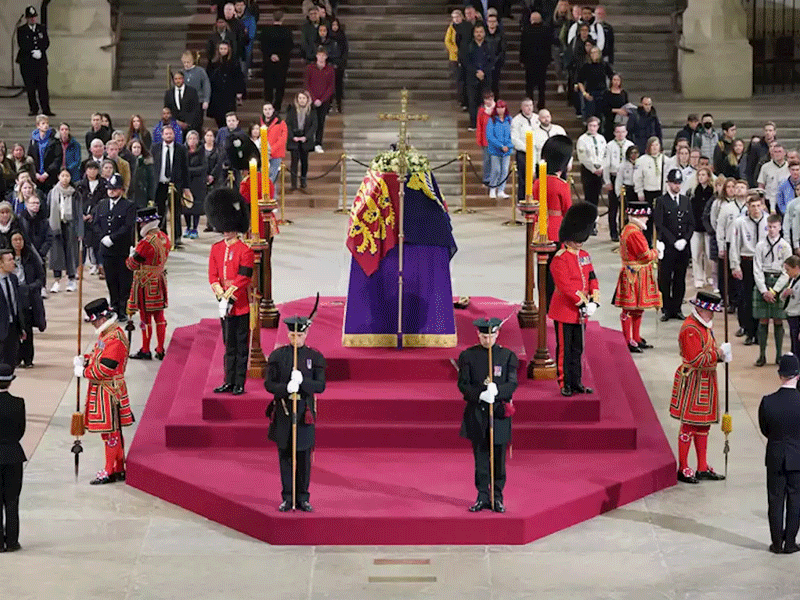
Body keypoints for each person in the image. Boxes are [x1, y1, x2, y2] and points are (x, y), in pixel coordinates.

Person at [265, 315, 326, 512]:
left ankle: (303, 497)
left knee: (303, 458)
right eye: (292, 334)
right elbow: (269, 384)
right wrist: (286, 387)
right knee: (285, 455)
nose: (295, 338)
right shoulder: (277, 356)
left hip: (303, 412)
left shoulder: (314, 357)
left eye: (300, 335)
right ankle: (287, 497)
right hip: (284, 409)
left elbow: (321, 386)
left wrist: (302, 383)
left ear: (306, 334)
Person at [457, 316, 517, 514]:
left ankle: (497, 497)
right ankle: (482, 496)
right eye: (483, 336)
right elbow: (463, 385)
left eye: (491, 336)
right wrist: (481, 394)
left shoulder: (507, 356)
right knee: (481, 461)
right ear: (478, 335)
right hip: (478, 414)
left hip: (498, 416)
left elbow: (512, 384)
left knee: (499, 462)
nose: (487, 340)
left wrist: (497, 392)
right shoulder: (468, 356)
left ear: (497, 334)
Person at [670, 291, 730, 483]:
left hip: (706, 380)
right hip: (694, 380)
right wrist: (719, 354)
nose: (712, 315)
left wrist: (718, 354)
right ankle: (683, 467)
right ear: (700, 309)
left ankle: (702, 466)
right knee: (689, 424)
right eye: (710, 311)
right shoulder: (690, 329)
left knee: (703, 425)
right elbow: (696, 359)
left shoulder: (703, 326)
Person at [75, 298, 134, 485]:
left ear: (101, 318)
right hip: (102, 388)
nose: (92, 324)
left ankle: (109, 469)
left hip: (109, 390)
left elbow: (104, 369)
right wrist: (84, 360)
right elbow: (96, 356)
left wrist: (84, 372)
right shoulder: (105, 335)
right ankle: (118, 466)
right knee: (110, 432)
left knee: (111, 432)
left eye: (93, 321)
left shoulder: (115, 338)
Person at [548, 202, 599, 397]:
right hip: (565, 311)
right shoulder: (560, 258)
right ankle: (564, 383)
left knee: (578, 349)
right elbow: (566, 287)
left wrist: (594, 301)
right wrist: (584, 303)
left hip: (581, 313)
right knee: (565, 351)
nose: (580, 242)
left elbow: (592, 278)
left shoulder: (584, 255)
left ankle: (576, 381)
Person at [206, 188, 254, 396]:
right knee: (229, 346)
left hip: (241, 305)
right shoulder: (216, 249)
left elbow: (244, 277)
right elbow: (213, 275)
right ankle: (228, 380)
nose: (226, 231)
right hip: (225, 305)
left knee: (241, 345)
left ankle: (239, 382)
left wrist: (229, 296)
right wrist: (220, 295)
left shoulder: (245, 250)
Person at [758, 353, 800, 553]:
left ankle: (776, 543)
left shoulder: (768, 401)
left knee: (775, 500)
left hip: (775, 456)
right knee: (795, 500)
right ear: (798, 375)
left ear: (779, 374)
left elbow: (765, 429)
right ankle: (790, 542)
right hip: (797, 458)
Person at [613, 201, 661, 351]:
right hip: (634, 274)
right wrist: (657, 252)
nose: (647, 219)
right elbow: (645, 255)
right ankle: (628, 339)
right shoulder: (634, 233)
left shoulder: (631, 229)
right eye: (645, 216)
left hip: (636, 273)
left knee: (637, 308)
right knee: (629, 309)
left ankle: (636, 337)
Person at [126, 206, 171, 360]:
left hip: (145, 283)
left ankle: (145, 349)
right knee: (160, 316)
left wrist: (131, 256)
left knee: (145, 318)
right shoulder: (164, 237)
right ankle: (160, 348)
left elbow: (131, 264)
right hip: (159, 279)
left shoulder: (145, 243)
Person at [94, 174, 135, 320]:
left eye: (115, 189)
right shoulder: (102, 204)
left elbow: (128, 226)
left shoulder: (128, 205)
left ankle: (123, 308)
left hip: (121, 249)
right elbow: (96, 223)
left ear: (121, 190)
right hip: (106, 250)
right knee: (111, 280)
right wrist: (103, 237)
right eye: (109, 189)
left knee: (124, 281)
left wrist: (113, 238)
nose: (111, 192)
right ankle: (114, 305)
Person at [655, 169, 694, 321]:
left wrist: (685, 239)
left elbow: (691, 223)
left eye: (679, 183)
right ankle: (667, 308)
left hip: (683, 248)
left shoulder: (685, 201)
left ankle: (677, 308)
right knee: (665, 278)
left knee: (680, 278)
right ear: (668, 183)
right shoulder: (661, 201)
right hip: (668, 247)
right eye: (674, 183)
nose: (677, 186)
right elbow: (660, 225)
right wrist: (673, 241)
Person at [754, 213, 792, 366]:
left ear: (780, 227)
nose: (771, 230)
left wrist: (775, 290)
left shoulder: (785, 246)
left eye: (774, 227)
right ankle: (762, 355)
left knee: (778, 319)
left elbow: (787, 271)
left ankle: (778, 355)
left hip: (778, 282)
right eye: (769, 227)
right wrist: (763, 290)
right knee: (763, 319)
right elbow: (756, 268)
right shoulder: (760, 245)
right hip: (763, 280)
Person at [730, 193, 769, 345]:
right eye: (753, 206)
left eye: (759, 205)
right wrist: (735, 265)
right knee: (746, 298)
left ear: (763, 206)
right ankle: (749, 331)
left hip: (764, 263)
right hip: (747, 260)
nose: (756, 209)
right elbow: (734, 245)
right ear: (747, 207)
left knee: (761, 298)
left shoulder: (768, 221)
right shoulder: (740, 222)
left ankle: (760, 333)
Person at [151, 125, 191, 245]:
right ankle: (162, 235)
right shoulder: (155, 148)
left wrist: (186, 187)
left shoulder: (181, 149)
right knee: (159, 211)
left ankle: (176, 237)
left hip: (175, 185)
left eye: (170, 134)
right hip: (160, 184)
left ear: (174, 135)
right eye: (166, 134)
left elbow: (185, 168)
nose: (168, 136)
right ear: (162, 135)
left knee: (176, 211)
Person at [0, 362, 25, 552]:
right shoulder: (18, 403)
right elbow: (20, 431)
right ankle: (13, 541)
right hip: (13, 454)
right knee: (12, 500)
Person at [11, 231, 45, 368]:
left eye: (20, 239)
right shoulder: (8, 258)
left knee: (28, 329)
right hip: (14, 296)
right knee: (15, 330)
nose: (18, 242)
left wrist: (30, 288)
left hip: (28, 297)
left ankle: (28, 358)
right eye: (15, 240)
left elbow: (40, 277)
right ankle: (16, 358)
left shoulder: (31, 256)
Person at [47, 169, 79, 293]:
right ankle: (56, 281)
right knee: (56, 253)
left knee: (71, 252)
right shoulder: (53, 192)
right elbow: (49, 208)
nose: (65, 178)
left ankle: (71, 279)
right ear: (58, 177)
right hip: (56, 225)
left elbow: (78, 211)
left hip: (70, 225)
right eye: (63, 175)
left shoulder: (75, 193)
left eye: (67, 176)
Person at [16, 6, 51, 117]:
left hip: (40, 61)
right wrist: (32, 51)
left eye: (34, 17)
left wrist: (40, 50)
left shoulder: (41, 28)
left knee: (43, 86)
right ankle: (33, 108)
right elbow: (22, 44)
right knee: (30, 87)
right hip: (27, 62)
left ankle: (46, 109)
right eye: (30, 17)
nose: (33, 19)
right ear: (27, 18)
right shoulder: (22, 30)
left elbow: (46, 41)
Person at [602, 122, 633, 242]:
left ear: (626, 132)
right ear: (614, 133)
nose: (620, 134)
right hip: (614, 176)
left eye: (623, 132)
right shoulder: (609, 146)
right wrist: (607, 181)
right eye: (618, 132)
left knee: (625, 207)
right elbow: (606, 165)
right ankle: (613, 232)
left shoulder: (630, 145)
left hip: (626, 178)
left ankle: (624, 231)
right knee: (613, 207)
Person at [259, 9, 294, 113]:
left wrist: (271, 55)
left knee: (268, 85)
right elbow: (289, 46)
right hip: (282, 62)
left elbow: (262, 45)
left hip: (268, 62)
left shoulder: (265, 31)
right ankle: (277, 106)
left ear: (272, 18)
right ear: (283, 18)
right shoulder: (287, 31)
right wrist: (279, 55)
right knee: (280, 85)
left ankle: (268, 105)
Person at [576, 117, 606, 235]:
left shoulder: (601, 139)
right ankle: (588, 225)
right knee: (589, 198)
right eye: (590, 126)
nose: (593, 128)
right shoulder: (582, 139)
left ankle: (594, 223)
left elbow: (604, 154)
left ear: (598, 126)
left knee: (596, 199)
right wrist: (593, 169)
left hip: (600, 170)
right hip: (588, 170)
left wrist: (602, 167)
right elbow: (583, 157)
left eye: (595, 126)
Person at [634, 136, 665, 245]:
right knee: (648, 218)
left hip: (661, 192)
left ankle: (659, 242)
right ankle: (647, 242)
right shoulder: (642, 160)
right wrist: (639, 191)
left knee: (661, 218)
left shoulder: (665, 159)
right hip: (648, 192)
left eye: (657, 145)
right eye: (653, 145)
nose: (655, 147)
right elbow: (637, 177)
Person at [75, 161, 105, 275]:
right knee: (82, 243)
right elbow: (77, 201)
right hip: (82, 218)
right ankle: (79, 267)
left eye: (94, 169)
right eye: (89, 169)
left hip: (96, 218)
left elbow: (103, 202)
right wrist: (81, 214)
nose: (92, 171)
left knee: (98, 243)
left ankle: (100, 265)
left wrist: (92, 214)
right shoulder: (79, 185)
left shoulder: (103, 184)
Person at [207, 40, 245, 129]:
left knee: (228, 115)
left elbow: (239, 78)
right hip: (216, 93)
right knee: (218, 116)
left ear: (229, 49)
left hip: (229, 94)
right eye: (221, 49)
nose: (223, 51)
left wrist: (239, 92)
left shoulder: (234, 62)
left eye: (225, 49)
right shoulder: (213, 63)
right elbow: (208, 77)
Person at [464, 23, 495, 131]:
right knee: (472, 101)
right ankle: (474, 124)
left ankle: (485, 124)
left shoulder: (489, 45)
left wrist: (484, 72)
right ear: (473, 33)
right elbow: (466, 61)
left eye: (481, 32)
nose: (479, 34)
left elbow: (492, 61)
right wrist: (476, 72)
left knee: (486, 102)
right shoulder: (469, 45)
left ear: (484, 33)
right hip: (472, 77)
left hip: (486, 78)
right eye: (477, 32)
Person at [304, 46, 334, 153]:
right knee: (310, 122)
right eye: (319, 55)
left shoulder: (330, 69)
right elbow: (307, 85)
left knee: (321, 122)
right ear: (316, 56)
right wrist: (313, 98)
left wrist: (322, 100)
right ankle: (309, 142)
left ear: (326, 57)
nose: (321, 57)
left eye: (323, 55)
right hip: (311, 100)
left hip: (323, 101)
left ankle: (318, 142)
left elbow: (331, 87)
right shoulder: (310, 68)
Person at [519, 11, 551, 111]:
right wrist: (548, 60)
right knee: (542, 86)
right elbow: (548, 47)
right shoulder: (546, 30)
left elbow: (523, 47)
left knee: (529, 86)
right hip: (542, 62)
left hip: (530, 62)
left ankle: (529, 105)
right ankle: (541, 104)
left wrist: (522, 60)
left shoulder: (526, 30)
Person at [285, 91, 317, 191]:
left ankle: (303, 182)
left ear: (307, 99)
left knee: (304, 161)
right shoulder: (292, 110)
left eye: (304, 98)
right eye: (300, 98)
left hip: (305, 139)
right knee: (294, 162)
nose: (302, 100)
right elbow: (288, 124)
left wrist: (306, 137)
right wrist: (292, 136)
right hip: (294, 138)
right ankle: (293, 184)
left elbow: (314, 125)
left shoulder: (312, 110)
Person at [691, 167, 716, 289]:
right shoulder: (695, 191)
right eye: (699, 175)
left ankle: (708, 275)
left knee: (708, 254)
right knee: (696, 254)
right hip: (696, 227)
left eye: (703, 175)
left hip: (708, 228)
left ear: (708, 177)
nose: (701, 177)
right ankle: (698, 277)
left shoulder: (712, 192)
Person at [0, 249, 25, 370]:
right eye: (9, 260)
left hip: (13, 329)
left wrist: (21, 327)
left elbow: (17, 305)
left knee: (11, 364)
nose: (13, 263)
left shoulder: (13, 279)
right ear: (1, 263)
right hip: (1, 329)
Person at [510, 98, 537, 202]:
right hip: (523, 152)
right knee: (524, 178)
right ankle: (522, 200)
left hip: (536, 151)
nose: (529, 108)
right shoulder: (516, 120)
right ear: (522, 108)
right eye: (526, 106)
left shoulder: (537, 118)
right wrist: (527, 148)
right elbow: (514, 138)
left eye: (530, 105)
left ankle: (536, 199)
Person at [576, 46, 612, 122]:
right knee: (590, 117)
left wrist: (610, 89)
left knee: (601, 116)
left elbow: (612, 76)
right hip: (591, 93)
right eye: (592, 53)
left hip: (602, 93)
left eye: (595, 52)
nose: (593, 54)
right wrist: (584, 93)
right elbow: (580, 81)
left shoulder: (604, 65)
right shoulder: (586, 66)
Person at [163, 71, 203, 139]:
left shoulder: (192, 91)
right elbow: (167, 110)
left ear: (183, 79)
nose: (178, 81)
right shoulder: (169, 93)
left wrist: (187, 123)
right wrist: (176, 122)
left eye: (179, 78)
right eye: (176, 79)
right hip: (174, 127)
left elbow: (196, 109)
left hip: (190, 126)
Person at [27, 114, 62, 194]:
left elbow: (57, 158)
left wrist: (47, 173)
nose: (46, 125)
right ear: (38, 126)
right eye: (43, 123)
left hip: (50, 175)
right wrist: (35, 173)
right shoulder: (33, 140)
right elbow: (30, 158)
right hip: (37, 176)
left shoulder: (54, 139)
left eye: (47, 123)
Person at [18, 195, 52, 272]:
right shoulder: (21, 219)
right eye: (33, 203)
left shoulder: (43, 219)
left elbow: (49, 237)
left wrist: (42, 251)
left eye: (37, 203)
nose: (35, 205)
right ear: (27, 204)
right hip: (26, 256)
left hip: (40, 255)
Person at [486, 100, 512, 200]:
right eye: (498, 107)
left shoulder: (509, 120)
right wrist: (500, 146)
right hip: (495, 149)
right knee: (496, 170)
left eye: (502, 107)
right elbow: (490, 136)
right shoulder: (491, 120)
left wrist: (508, 145)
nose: (500, 110)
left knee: (505, 170)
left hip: (507, 150)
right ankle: (493, 188)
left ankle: (501, 189)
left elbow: (512, 134)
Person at [185, 131, 207, 239]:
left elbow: (203, 168)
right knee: (186, 206)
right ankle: (188, 227)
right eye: (190, 139)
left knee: (196, 207)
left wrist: (189, 171)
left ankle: (194, 228)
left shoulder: (201, 151)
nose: (192, 141)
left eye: (194, 139)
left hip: (198, 183)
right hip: (187, 183)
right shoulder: (184, 151)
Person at [261, 103, 287, 184]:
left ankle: (272, 196)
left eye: (269, 109)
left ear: (273, 110)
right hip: (263, 155)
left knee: (272, 179)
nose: (267, 111)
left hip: (275, 154)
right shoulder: (261, 122)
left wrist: (270, 150)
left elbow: (282, 139)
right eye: (265, 109)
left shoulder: (281, 123)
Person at [780, 256, 800, 356]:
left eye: (788, 270)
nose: (787, 272)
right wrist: (785, 294)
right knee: (794, 344)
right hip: (791, 315)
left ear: (796, 267)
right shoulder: (793, 280)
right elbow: (783, 296)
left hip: (797, 316)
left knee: (797, 346)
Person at [475, 90, 495, 183]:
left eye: (490, 99)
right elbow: (479, 125)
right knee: (487, 160)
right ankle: (487, 178)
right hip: (486, 140)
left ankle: (495, 178)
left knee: (495, 160)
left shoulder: (498, 109)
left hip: (496, 139)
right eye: (486, 99)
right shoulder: (481, 110)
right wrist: (479, 139)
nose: (488, 101)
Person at [128, 139, 154, 209]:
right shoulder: (127, 162)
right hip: (130, 194)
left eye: (138, 147)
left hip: (142, 194)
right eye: (134, 147)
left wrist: (151, 197)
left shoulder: (147, 163)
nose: (136, 149)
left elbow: (151, 180)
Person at [329, 18, 348, 113]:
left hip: (340, 65)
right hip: (330, 64)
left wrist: (340, 63)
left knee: (339, 86)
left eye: (336, 25)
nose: (334, 27)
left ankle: (339, 104)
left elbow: (345, 51)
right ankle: (329, 105)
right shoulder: (329, 37)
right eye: (333, 25)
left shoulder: (342, 36)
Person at [602, 73, 628, 141]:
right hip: (610, 119)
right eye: (614, 80)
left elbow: (626, 104)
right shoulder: (607, 93)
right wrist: (617, 110)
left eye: (618, 80)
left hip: (621, 119)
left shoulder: (624, 93)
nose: (616, 82)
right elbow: (604, 108)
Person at [445, 10, 463, 106]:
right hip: (455, 58)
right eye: (454, 17)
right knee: (458, 79)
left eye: (457, 17)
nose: (456, 19)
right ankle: (460, 99)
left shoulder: (465, 27)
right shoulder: (451, 28)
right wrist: (456, 50)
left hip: (464, 57)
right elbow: (447, 41)